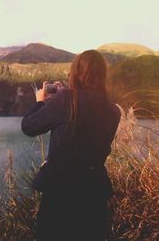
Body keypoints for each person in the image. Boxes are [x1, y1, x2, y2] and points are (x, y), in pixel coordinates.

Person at [22, 50, 121, 241]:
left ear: (76, 72)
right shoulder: (113, 111)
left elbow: (28, 126)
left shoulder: (65, 100)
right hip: (94, 196)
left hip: (59, 197)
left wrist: (41, 102)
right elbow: (86, 112)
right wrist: (64, 96)